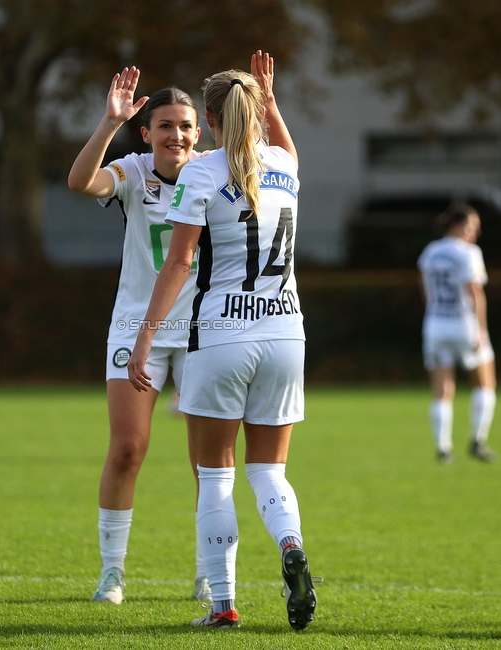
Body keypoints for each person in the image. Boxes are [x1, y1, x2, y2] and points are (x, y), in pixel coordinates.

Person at [67, 52, 288, 606]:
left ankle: (208, 573)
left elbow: (284, 161)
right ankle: (112, 572)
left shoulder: (215, 168)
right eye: (165, 126)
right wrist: (109, 121)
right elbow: (80, 182)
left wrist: (265, 101)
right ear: (147, 133)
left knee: (207, 462)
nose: (177, 135)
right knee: (127, 448)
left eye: (187, 126)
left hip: (204, 331)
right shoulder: (133, 171)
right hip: (135, 325)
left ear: (201, 131)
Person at [126, 60, 316, 631]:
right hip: (286, 333)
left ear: (206, 121)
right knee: (270, 471)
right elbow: (282, 145)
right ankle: (290, 545)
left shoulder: (203, 173)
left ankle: (223, 605)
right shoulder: (283, 165)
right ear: (256, 113)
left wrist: (146, 335)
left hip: (220, 337)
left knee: (215, 476)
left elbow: (181, 260)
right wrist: (271, 102)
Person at [417, 204, 498, 464]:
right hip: (464, 324)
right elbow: (475, 291)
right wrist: (482, 330)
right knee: (485, 384)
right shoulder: (469, 253)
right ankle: (477, 440)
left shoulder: (430, 251)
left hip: (435, 324)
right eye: (470, 226)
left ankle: (443, 448)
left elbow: (425, 289)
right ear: (455, 225)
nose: (475, 232)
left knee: (442, 390)